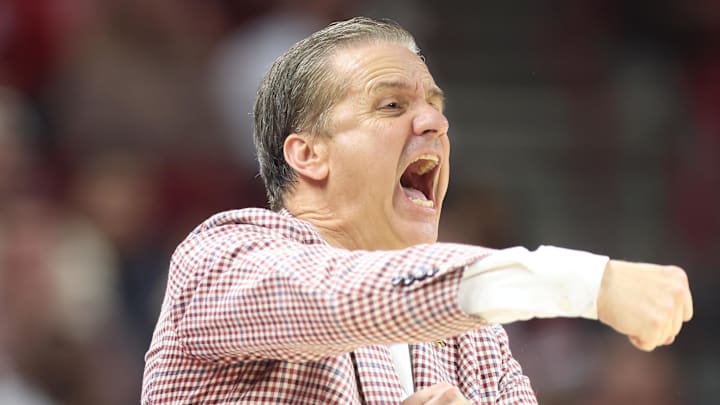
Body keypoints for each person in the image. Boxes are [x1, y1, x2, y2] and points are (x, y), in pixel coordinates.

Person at [141, 17, 693, 404]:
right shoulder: (221, 259)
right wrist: (588, 282)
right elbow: (342, 295)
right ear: (308, 153)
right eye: (392, 105)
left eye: (436, 106)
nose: (434, 123)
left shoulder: (472, 340)